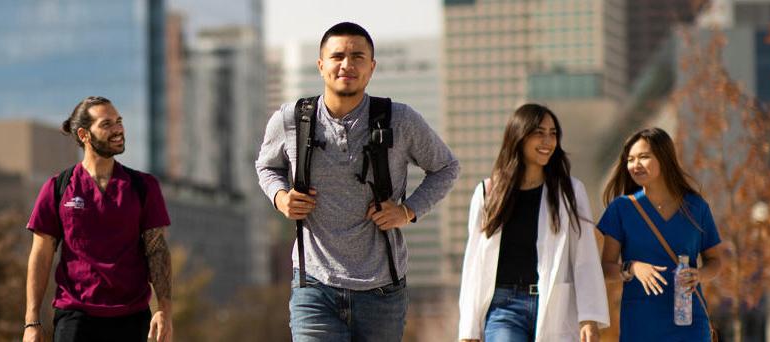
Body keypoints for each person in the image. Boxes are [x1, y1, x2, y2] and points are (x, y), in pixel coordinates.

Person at [255, 22, 459, 341]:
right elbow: (266, 167)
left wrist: (408, 211)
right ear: (321, 65)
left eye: (357, 56)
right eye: (337, 56)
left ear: (372, 67)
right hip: (314, 288)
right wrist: (281, 198)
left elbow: (446, 167)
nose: (346, 65)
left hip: (382, 291)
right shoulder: (290, 120)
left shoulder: (401, 119)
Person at [22, 96, 173, 342]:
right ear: (84, 134)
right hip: (75, 319)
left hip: (132, 319)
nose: (118, 129)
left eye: (119, 121)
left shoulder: (144, 187)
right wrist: (32, 321)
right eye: (106, 124)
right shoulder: (57, 187)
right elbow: (40, 255)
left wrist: (164, 311)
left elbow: (157, 251)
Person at [456, 104, 609, 341]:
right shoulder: (487, 192)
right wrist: (468, 330)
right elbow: (474, 263)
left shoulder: (569, 191)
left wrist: (589, 317)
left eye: (553, 133)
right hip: (503, 308)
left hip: (554, 304)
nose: (548, 140)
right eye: (539, 132)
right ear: (519, 136)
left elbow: (585, 258)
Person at [598, 127, 725, 341]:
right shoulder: (621, 209)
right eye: (630, 159)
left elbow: (715, 261)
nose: (635, 165)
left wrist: (699, 275)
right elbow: (605, 268)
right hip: (640, 324)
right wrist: (632, 268)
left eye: (643, 157)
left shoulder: (696, 207)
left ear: (664, 159)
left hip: (689, 322)